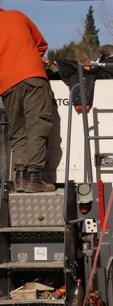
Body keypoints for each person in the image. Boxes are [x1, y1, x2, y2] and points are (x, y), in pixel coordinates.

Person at [0, 8, 55, 193]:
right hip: (32, 75)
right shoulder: (16, 15)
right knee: (37, 124)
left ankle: (21, 177)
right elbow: (40, 44)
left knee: (18, 130)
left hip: (6, 84)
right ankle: (34, 177)